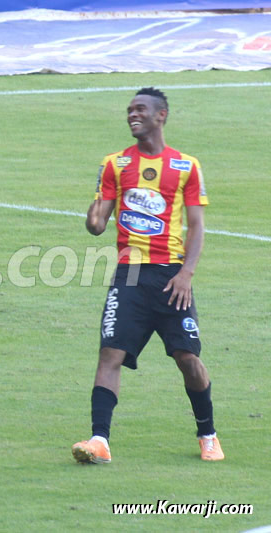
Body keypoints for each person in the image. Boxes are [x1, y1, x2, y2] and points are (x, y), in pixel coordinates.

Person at [72, 87, 223, 464]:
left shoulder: (186, 166)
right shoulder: (116, 164)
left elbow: (197, 226)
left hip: (172, 277)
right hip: (130, 276)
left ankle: (207, 433)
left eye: (140, 109)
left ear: (161, 115)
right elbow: (97, 223)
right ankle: (99, 440)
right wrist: (93, 216)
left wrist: (187, 273)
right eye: (129, 110)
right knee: (110, 353)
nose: (131, 115)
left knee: (187, 358)